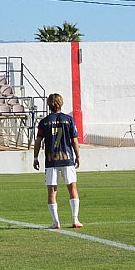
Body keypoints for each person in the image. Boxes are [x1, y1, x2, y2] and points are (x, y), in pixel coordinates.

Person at [33, 93, 82, 229]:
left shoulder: (44, 122)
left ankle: (56, 222)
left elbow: (38, 141)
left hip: (51, 160)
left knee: (52, 191)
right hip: (67, 159)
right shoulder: (69, 120)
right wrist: (77, 156)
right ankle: (75, 220)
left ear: (49, 105)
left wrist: (35, 157)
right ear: (61, 103)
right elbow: (74, 140)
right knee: (72, 188)